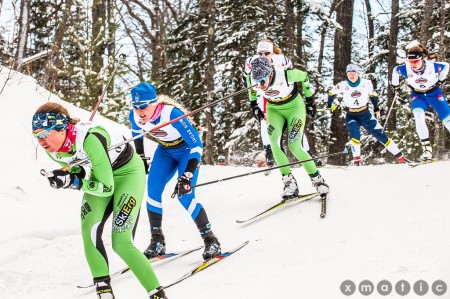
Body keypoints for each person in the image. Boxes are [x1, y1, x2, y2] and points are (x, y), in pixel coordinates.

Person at [32, 103, 166, 299]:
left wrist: (73, 183)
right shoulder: (52, 148)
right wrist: (65, 175)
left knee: (121, 242)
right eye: (36, 136)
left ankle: (157, 294)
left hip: (128, 173)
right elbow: (79, 169)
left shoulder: (90, 140)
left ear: (61, 128)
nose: (41, 141)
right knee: (90, 230)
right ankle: (104, 292)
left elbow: (106, 188)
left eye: (44, 134)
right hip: (102, 174)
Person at [129, 82, 221, 261]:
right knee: (153, 191)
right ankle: (157, 240)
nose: (139, 111)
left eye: (143, 106)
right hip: (165, 152)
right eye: (135, 106)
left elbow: (197, 145)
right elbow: (136, 134)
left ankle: (211, 240)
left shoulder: (172, 114)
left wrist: (187, 175)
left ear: (154, 103)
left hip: (187, 152)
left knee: (185, 195)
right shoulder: (135, 116)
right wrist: (141, 156)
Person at [246, 57, 329, 200]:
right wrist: (253, 105)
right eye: (256, 80)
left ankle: (318, 180)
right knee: (274, 145)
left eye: (262, 81)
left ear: (270, 73)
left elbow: (304, 77)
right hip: (273, 109)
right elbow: (252, 92)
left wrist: (310, 100)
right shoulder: (251, 78)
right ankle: (289, 183)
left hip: (294, 107)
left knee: (294, 146)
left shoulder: (285, 75)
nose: (260, 85)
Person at [244, 40, 322, 167]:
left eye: (267, 53)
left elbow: (292, 76)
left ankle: (307, 152)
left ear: (273, 52)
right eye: (260, 53)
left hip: (281, 91)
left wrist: (308, 99)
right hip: (263, 92)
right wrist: (253, 103)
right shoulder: (251, 61)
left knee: (295, 124)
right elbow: (247, 80)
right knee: (265, 120)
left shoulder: (281, 59)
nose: (263, 56)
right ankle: (269, 151)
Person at [328, 64, 407, 166]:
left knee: (381, 135)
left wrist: (376, 108)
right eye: (349, 74)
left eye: (353, 73)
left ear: (358, 73)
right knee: (354, 134)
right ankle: (357, 161)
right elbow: (331, 93)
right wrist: (329, 106)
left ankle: (401, 157)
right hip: (351, 115)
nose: (351, 76)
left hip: (365, 114)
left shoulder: (366, 83)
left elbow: (373, 95)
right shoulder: (343, 85)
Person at [391, 42, 450, 161]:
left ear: (422, 59)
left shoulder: (432, 66)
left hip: (434, 93)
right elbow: (395, 70)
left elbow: (446, 66)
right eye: (410, 61)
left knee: (447, 120)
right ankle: (426, 149)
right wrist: (395, 85)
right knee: (418, 116)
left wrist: (441, 79)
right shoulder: (405, 68)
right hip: (418, 95)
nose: (413, 64)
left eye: (415, 61)